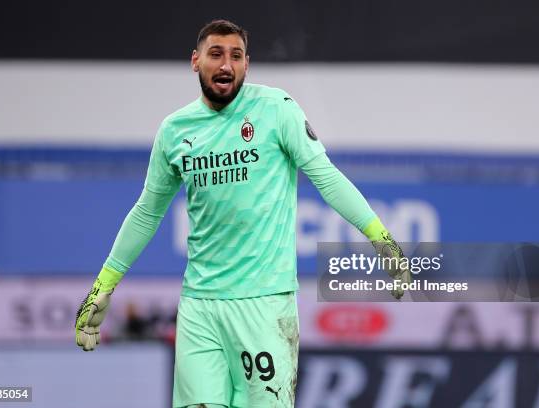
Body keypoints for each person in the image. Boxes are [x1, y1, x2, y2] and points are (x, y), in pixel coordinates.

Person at [75, 19, 411, 408]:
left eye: (236, 56)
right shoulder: (174, 132)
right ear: (195, 61)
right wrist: (104, 285)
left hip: (264, 306)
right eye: (215, 54)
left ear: (247, 65)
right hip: (200, 306)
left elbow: (327, 177)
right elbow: (147, 213)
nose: (225, 65)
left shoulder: (276, 110)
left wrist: (379, 236)